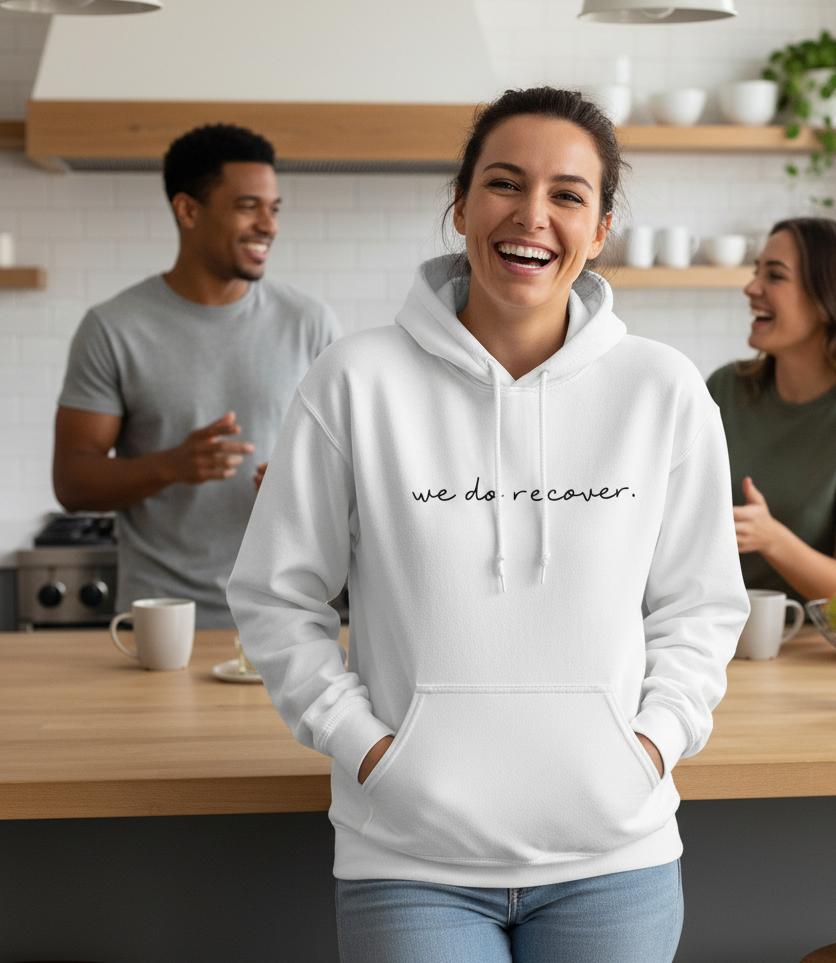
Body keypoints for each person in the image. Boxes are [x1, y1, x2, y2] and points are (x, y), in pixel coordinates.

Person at [228, 87, 748, 963]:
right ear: (461, 204)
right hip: (407, 861)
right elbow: (277, 597)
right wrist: (368, 750)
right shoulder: (354, 381)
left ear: (601, 229)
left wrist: (653, 745)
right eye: (505, 183)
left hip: (615, 861)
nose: (532, 216)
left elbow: (700, 608)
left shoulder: (663, 391)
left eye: (567, 195)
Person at [53, 124, 342, 629]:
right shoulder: (113, 328)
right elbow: (73, 483)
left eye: (274, 209)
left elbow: (355, 471)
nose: (268, 226)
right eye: (248, 206)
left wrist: (303, 487)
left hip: (286, 618)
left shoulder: (310, 323)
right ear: (188, 210)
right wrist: (170, 465)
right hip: (163, 621)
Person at [706, 217, 836, 604]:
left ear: (831, 299)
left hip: (801, 636)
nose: (751, 288)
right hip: (698, 625)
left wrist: (771, 538)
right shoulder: (726, 388)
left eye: (775, 276)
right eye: (757, 272)